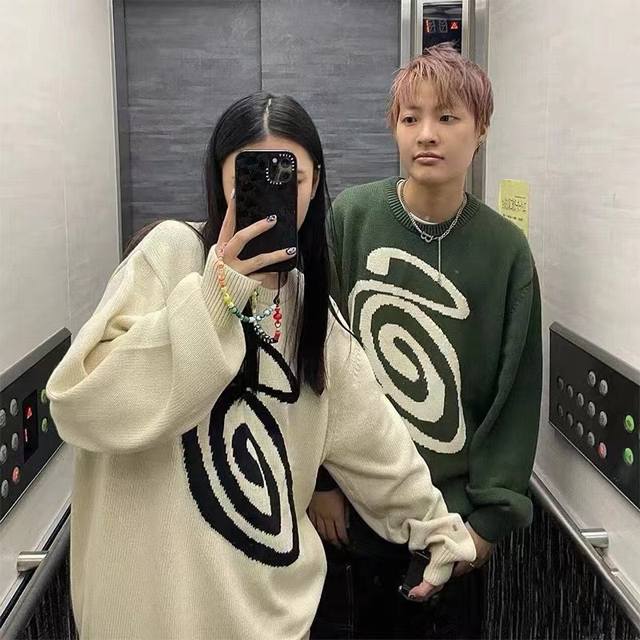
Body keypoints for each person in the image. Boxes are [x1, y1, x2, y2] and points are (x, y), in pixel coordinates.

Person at [45, 92, 476, 640]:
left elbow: (377, 444)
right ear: (221, 182)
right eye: (251, 177)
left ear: (314, 185)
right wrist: (219, 293)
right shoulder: (170, 255)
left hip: (273, 621)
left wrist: (437, 529)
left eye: (291, 178)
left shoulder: (312, 316)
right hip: (149, 617)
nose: (274, 199)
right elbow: (83, 406)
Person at [310, 43, 543, 639]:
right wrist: (321, 482)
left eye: (447, 117)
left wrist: (488, 522)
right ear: (394, 127)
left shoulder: (505, 251)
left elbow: (516, 393)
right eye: (410, 118)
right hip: (353, 508)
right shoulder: (353, 218)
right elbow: (316, 355)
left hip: (452, 518)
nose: (427, 134)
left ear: (480, 130)